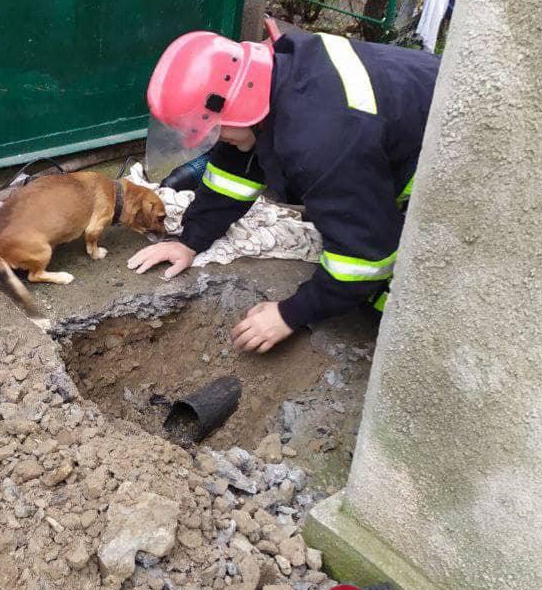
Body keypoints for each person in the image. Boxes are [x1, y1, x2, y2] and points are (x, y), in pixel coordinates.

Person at [128, 25, 440, 353]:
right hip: (412, 106)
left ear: (240, 106)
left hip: (456, 163)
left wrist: (290, 314)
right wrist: (190, 241)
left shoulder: (324, 142)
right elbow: (235, 169)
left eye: (216, 131)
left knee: (403, 292)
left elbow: (363, 259)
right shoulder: (275, 75)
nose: (215, 140)